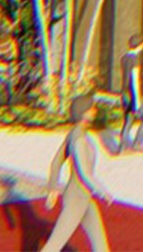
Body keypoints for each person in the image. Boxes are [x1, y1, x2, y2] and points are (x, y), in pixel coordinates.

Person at [42, 94, 114, 252]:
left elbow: (56, 163)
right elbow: (85, 174)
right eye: (91, 108)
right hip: (77, 198)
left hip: (83, 197)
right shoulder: (79, 140)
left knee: (101, 247)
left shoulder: (73, 134)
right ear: (83, 112)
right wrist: (103, 192)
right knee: (53, 246)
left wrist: (52, 188)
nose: (94, 111)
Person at [119, 34, 143, 152]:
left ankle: (122, 147)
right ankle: (138, 142)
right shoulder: (135, 60)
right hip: (132, 94)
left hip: (124, 93)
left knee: (128, 120)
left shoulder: (124, 58)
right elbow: (135, 80)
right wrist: (137, 101)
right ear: (140, 45)